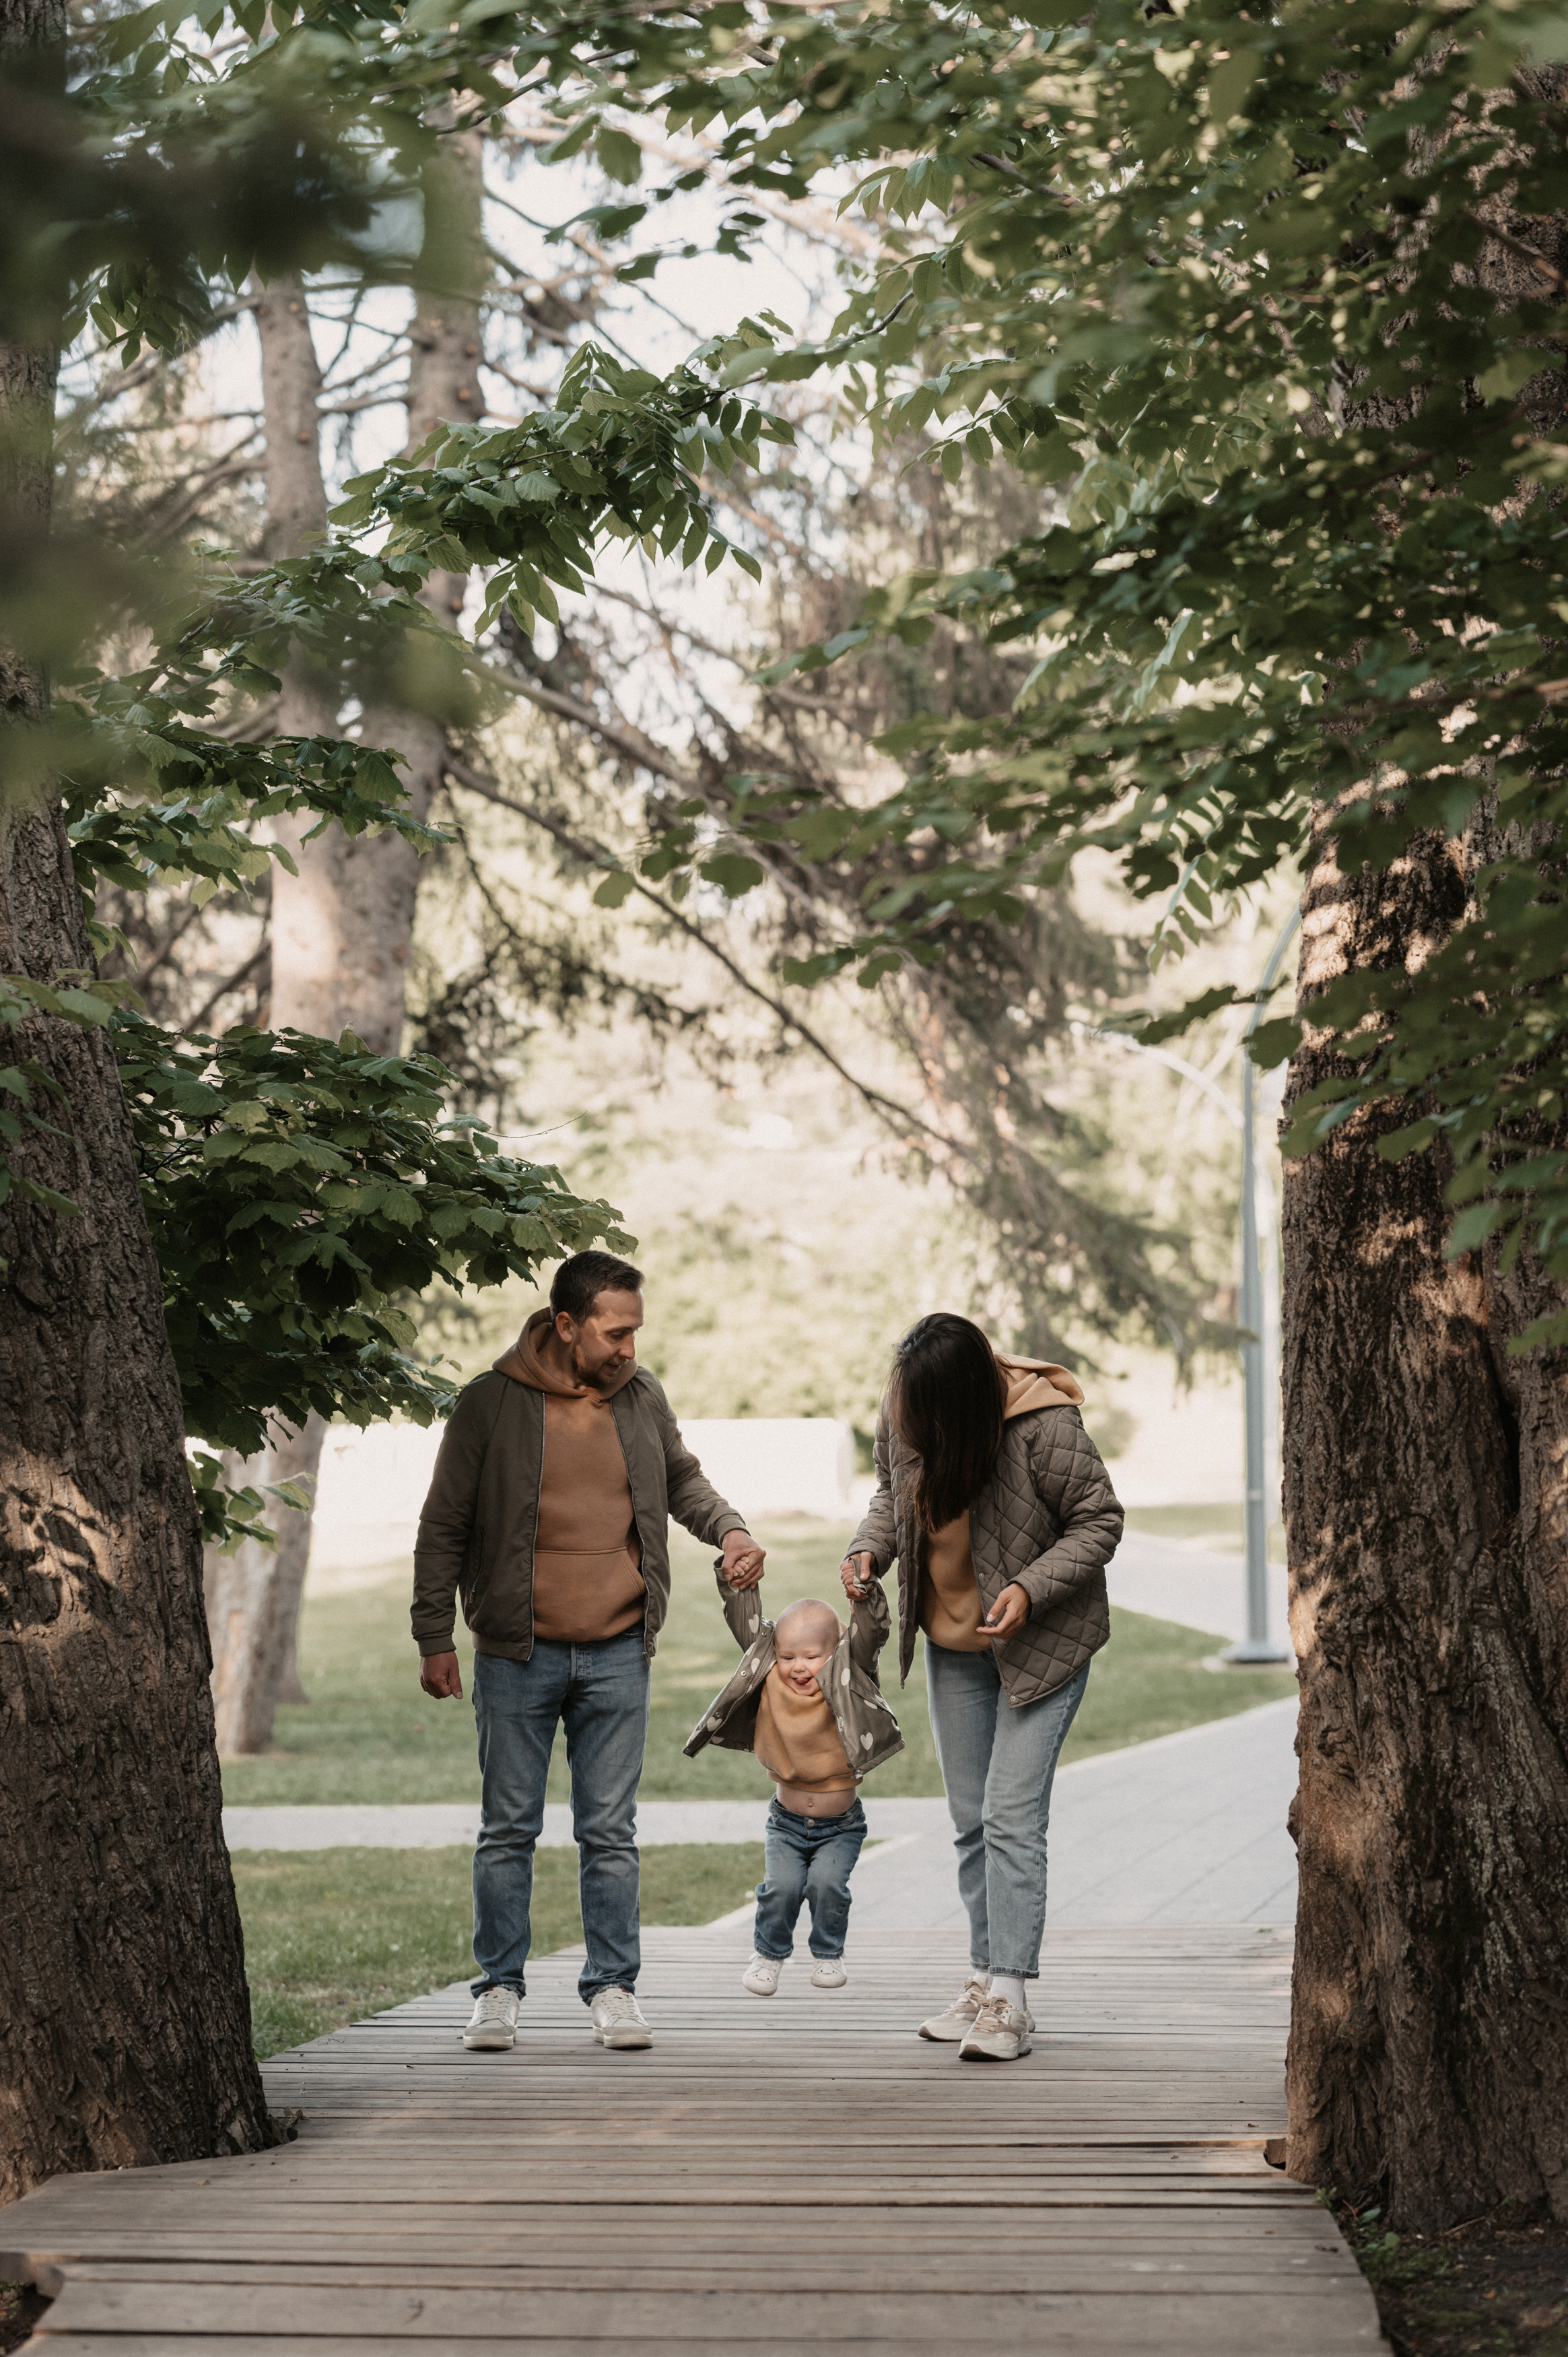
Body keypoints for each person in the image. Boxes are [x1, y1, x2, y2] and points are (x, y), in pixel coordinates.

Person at [413, 1249, 765, 2053]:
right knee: (508, 1828)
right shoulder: (491, 1404)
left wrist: (732, 1526)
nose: (628, 1349)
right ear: (566, 1323)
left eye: (636, 1331)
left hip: (616, 1650)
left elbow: (682, 1479)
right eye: (615, 1332)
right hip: (516, 1651)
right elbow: (443, 1527)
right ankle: (497, 1990)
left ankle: (613, 1988)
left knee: (610, 1831)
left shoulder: (639, 1395)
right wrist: (433, 1634)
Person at [842, 1313, 1122, 2062]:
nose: (909, 1427)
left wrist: (1030, 1587)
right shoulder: (907, 1405)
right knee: (971, 1819)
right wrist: (870, 1548)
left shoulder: (1042, 1425)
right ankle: (981, 1976)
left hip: (1042, 1647)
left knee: (1009, 1814)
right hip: (953, 1646)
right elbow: (887, 1495)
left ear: (965, 1406)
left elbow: (1098, 1520)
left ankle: (1012, 1998)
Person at [685, 1574, 903, 1993]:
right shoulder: (769, 1676)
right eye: (788, 1657)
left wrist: (867, 1594)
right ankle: (768, 1954)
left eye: (810, 1656)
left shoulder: (847, 1676)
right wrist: (738, 1581)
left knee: (826, 1886)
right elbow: (745, 1624)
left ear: (835, 1651)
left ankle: (827, 1954)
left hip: (840, 1826)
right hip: (785, 1822)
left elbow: (871, 1633)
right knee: (781, 1889)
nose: (798, 1667)